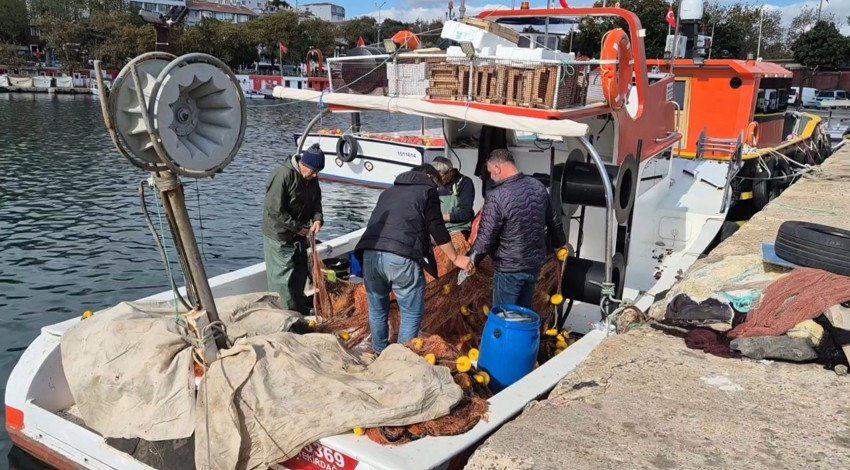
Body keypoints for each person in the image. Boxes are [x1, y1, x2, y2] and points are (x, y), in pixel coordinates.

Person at [355, 164, 473, 354]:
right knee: (411, 312)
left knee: (377, 309)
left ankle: (378, 352)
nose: (437, 188)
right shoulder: (427, 191)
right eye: (437, 183)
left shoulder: (388, 192)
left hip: (370, 254)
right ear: (430, 177)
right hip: (400, 257)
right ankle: (402, 359)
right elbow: (436, 226)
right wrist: (455, 257)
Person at [470, 149, 567, 309]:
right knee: (523, 313)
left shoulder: (497, 196)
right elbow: (554, 221)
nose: (491, 177)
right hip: (534, 265)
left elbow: (486, 237)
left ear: (497, 168)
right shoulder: (538, 186)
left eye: (490, 171)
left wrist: (472, 260)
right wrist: (560, 245)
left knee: (504, 317)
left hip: (509, 269)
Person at [262, 143, 324, 315]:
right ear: (304, 165)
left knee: (299, 273)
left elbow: (316, 201)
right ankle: (286, 316)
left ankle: (299, 308)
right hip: (280, 235)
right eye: (313, 171)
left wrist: (318, 219)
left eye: (317, 172)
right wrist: (296, 227)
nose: (315, 175)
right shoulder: (283, 175)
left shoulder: (312, 178)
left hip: (299, 235)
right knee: (284, 279)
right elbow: (274, 209)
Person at [431, 156, 475, 237]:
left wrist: (442, 218)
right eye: (435, 178)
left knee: (454, 247)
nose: (437, 181)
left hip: (458, 229)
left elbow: (466, 213)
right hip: (437, 227)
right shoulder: (433, 183)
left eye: (440, 177)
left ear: (450, 171)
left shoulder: (464, 183)